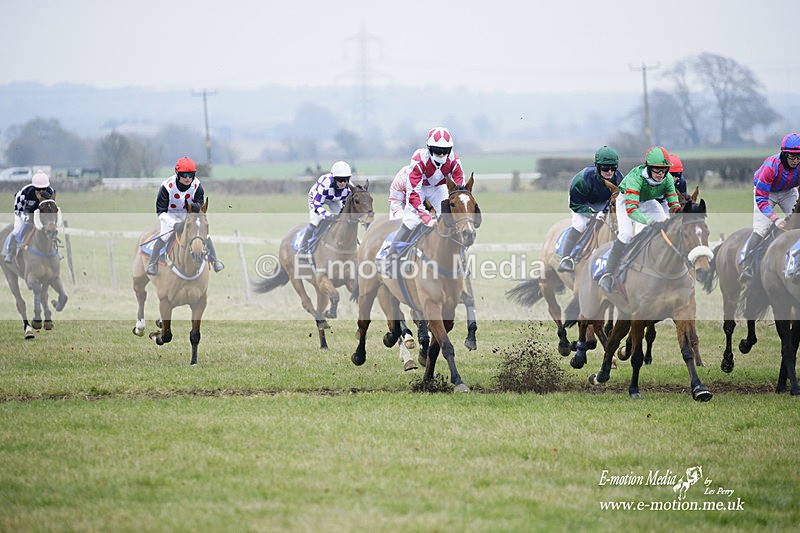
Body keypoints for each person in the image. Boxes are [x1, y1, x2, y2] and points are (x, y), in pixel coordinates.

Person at [381, 127, 465, 273]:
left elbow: (459, 186)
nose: (442, 154)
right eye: (437, 150)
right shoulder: (419, 159)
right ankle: (391, 259)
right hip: (419, 188)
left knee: (450, 219)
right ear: (429, 149)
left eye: (445, 151)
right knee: (411, 221)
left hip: (439, 189)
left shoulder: (454, 160)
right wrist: (426, 217)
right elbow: (413, 193)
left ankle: (460, 258)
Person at [598, 146, 681, 292]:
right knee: (626, 235)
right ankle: (608, 273)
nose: (661, 174)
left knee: (666, 229)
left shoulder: (667, 179)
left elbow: (674, 205)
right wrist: (650, 222)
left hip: (648, 202)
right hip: (627, 203)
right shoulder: (636, 178)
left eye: (664, 170)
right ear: (648, 167)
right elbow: (632, 211)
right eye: (656, 170)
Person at [146, 157, 224, 275]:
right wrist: (174, 224)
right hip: (169, 212)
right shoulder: (167, 187)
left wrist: (193, 210)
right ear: (177, 174)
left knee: (203, 233)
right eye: (184, 174)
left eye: (191, 174)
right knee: (164, 236)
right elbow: (160, 211)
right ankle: (152, 263)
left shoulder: (197, 185)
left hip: (186, 212)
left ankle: (214, 260)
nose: (188, 178)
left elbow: (199, 205)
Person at [739, 133, 800, 281]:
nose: (796, 161)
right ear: (784, 154)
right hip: (767, 194)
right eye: (792, 157)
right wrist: (774, 218)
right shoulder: (771, 166)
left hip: (788, 192)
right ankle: (746, 266)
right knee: (762, 229)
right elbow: (761, 198)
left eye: (799, 157)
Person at [557, 146, 624, 273]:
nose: (609, 171)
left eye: (613, 168)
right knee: (580, 224)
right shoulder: (582, 180)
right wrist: (592, 214)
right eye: (605, 168)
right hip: (582, 201)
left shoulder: (620, 179)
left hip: (603, 202)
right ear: (597, 166)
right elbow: (575, 204)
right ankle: (566, 258)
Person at [297, 161, 352, 254]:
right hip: (317, 199)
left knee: (342, 220)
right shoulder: (325, 183)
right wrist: (328, 215)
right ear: (334, 178)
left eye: (346, 179)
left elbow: (345, 205)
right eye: (340, 179)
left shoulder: (349, 188)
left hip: (334, 200)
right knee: (315, 221)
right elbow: (316, 205)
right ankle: (303, 247)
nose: (343, 183)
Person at [4, 170, 55, 263]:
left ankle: (55, 251)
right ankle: (10, 253)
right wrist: (25, 217)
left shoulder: (50, 192)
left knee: (51, 228)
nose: (41, 191)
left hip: (40, 214)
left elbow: (51, 208)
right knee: (18, 228)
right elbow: (17, 209)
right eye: (38, 189)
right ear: (34, 187)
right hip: (23, 212)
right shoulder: (24, 192)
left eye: (44, 188)